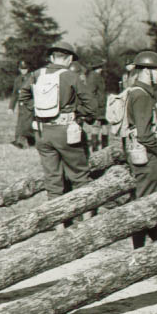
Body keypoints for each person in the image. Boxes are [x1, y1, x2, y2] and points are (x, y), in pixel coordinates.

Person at [20, 43, 98, 217]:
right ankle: (87, 222)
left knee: (53, 181)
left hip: (42, 132)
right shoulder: (71, 76)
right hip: (66, 131)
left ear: (51, 57)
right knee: (80, 177)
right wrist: (78, 112)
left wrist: (38, 109)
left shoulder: (36, 74)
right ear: (69, 59)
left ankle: (59, 226)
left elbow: (23, 95)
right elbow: (92, 106)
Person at [124, 51, 157, 249]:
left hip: (143, 155)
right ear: (146, 70)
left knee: (147, 200)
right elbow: (144, 135)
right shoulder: (141, 95)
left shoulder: (137, 92)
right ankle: (141, 251)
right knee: (147, 203)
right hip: (148, 157)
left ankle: (152, 248)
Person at [8, 60, 36, 148]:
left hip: (30, 104)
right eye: (22, 69)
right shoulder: (17, 80)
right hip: (21, 105)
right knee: (21, 123)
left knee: (28, 124)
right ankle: (22, 141)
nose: (24, 71)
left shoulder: (32, 78)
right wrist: (11, 107)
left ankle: (21, 141)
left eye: (25, 69)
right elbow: (14, 94)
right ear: (19, 69)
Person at [86, 61, 109, 150]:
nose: (101, 69)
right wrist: (95, 105)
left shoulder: (96, 76)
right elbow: (91, 92)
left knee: (104, 125)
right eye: (100, 67)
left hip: (101, 105)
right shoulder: (93, 76)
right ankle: (95, 148)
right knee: (96, 125)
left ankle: (104, 147)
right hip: (98, 105)